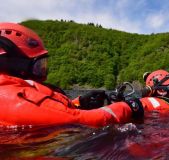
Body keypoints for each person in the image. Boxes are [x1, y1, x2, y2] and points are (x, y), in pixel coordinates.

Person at [0, 22, 143, 128]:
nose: (42, 72)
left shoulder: (11, 90)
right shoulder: (12, 96)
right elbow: (84, 121)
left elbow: (48, 112)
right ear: (12, 62)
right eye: (38, 65)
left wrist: (79, 103)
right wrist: (130, 106)